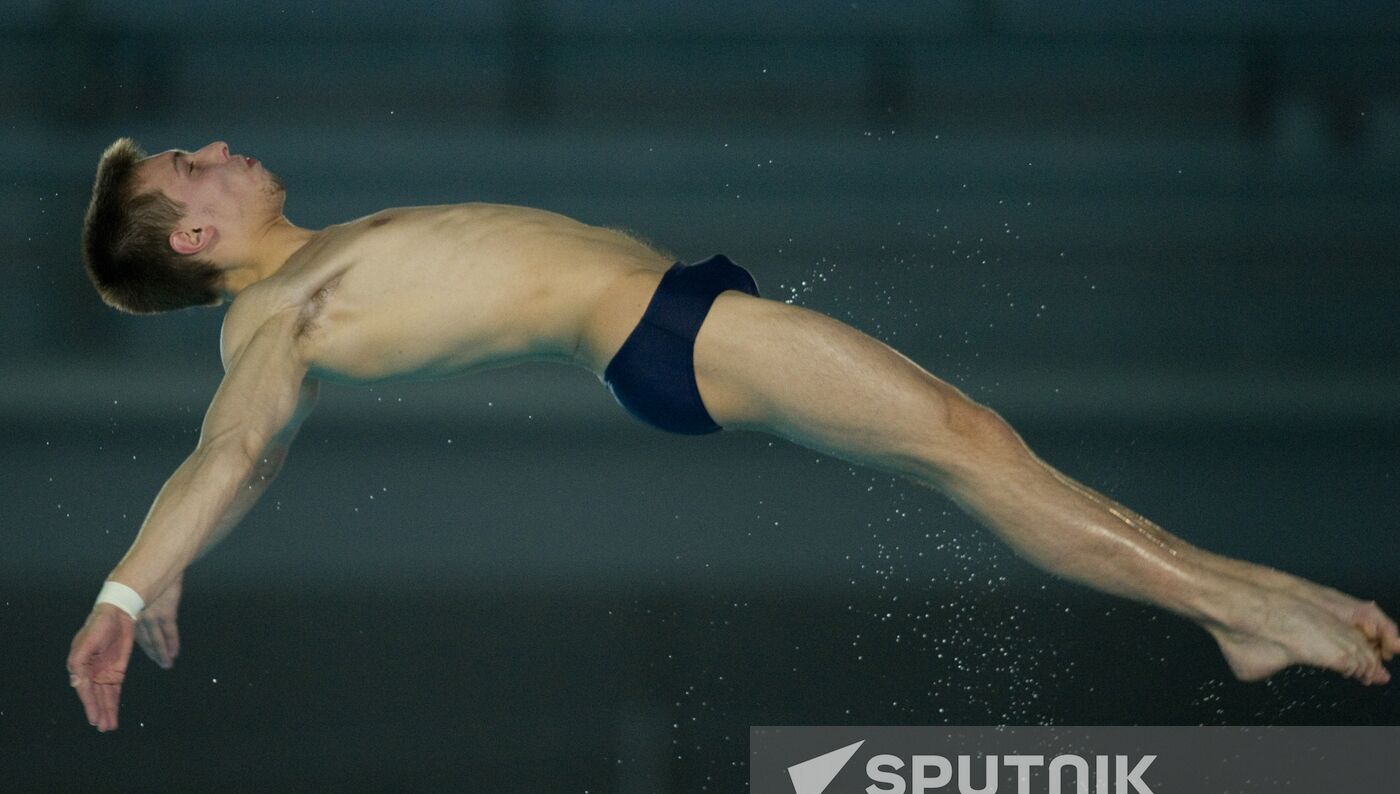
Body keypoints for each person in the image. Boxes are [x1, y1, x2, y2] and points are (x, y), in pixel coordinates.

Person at [67, 138, 1397, 732]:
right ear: (193, 238)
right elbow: (234, 449)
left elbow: (249, 468)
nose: (221, 148)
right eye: (194, 168)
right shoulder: (275, 319)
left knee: (968, 444)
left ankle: (1245, 607)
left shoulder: (326, 251)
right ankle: (1245, 612)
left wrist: (179, 564)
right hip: (664, 341)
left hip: (677, 315)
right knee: (970, 444)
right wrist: (133, 581)